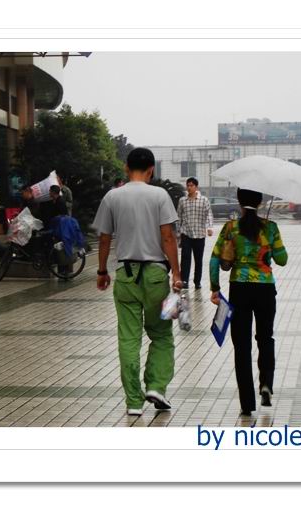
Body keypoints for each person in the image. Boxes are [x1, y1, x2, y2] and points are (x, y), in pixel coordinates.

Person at [93, 147, 182, 416]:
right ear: (151, 169)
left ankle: (133, 401)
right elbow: (167, 237)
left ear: (126, 167)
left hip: (125, 275)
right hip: (155, 275)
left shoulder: (112, 196)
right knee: (161, 334)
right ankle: (156, 386)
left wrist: (102, 271)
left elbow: (104, 238)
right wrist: (177, 274)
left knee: (129, 338)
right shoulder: (159, 195)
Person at [209, 189, 288, 416]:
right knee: (265, 338)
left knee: (242, 346)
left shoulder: (231, 228)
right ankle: (266, 383)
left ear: (239, 201)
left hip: (239, 289)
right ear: (260, 202)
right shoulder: (270, 227)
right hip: (265, 289)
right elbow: (282, 260)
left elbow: (215, 259)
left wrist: (215, 288)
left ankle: (247, 403)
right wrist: (268, 251)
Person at [177, 177, 214, 289]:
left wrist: (210, 227)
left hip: (200, 234)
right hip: (186, 234)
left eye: (191, 185)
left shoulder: (204, 200)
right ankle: (184, 281)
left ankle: (197, 281)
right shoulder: (182, 201)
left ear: (196, 187)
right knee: (185, 258)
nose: (189, 187)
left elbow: (209, 214)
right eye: (188, 185)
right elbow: (179, 217)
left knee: (198, 260)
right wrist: (178, 233)